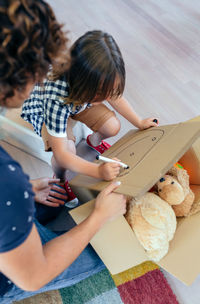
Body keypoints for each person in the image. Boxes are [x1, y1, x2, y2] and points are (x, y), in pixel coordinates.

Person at [0, 1, 127, 303]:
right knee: (110, 245)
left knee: (55, 200)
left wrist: (26, 191)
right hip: (11, 274)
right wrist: (97, 219)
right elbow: (32, 276)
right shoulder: (8, 178)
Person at [21, 30, 159, 206]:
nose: (107, 98)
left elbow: (114, 97)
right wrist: (98, 172)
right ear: (83, 84)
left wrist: (139, 121)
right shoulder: (55, 98)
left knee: (112, 126)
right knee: (67, 150)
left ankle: (92, 142)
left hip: (78, 101)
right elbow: (62, 155)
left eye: (108, 93)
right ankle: (61, 179)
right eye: (101, 94)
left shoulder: (93, 83)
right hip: (48, 111)